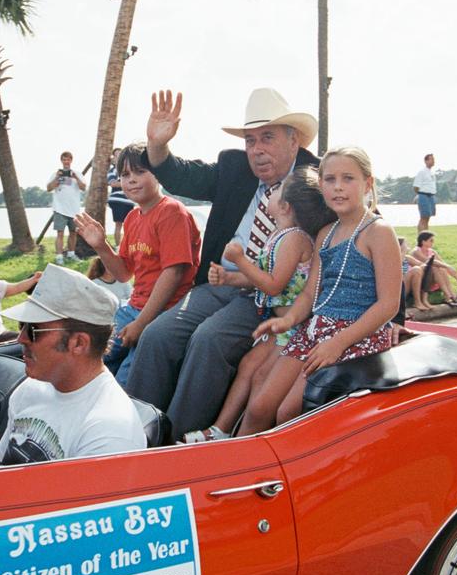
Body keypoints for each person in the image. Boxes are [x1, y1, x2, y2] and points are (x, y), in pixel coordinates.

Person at [125, 87, 320, 438]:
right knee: (156, 335)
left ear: (294, 142)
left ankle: (176, 443)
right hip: (217, 283)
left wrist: (394, 314)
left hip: (269, 297)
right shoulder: (234, 168)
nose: (256, 150)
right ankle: (130, 433)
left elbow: (362, 231)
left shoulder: (317, 179)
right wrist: (157, 145)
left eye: (267, 138)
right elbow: (182, 174)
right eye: (250, 140)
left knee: (209, 340)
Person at [239, 147, 401, 435]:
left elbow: (388, 304)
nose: (338, 187)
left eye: (348, 178)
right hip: (315, 330)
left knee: (288, 411)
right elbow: (309, 295)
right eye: (329, 179)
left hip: (356, 335)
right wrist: (288, 321)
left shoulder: (378, 232)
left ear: (368, 183)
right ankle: (236, 466)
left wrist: (338, 342)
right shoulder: (326, 234)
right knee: (260, 407)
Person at [182, 166, 332, 443]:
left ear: (285, 206)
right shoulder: (279, 235)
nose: (270, 195)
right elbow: (261, 277)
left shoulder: (294, 239)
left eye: (277, 192)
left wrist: (239, 261)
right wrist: (229, 277)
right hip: (280, 324)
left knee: (261, 374)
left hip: (294, 326)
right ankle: (221, 429)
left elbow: (273, 284)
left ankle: (248, 438)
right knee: (249, 365)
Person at [74, 143, 201, 386]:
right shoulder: (133, 217)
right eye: (125, 175)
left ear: (159, 174)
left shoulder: (172, 212)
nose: (131, 180)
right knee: (87, 363)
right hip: (133, 308)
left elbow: (173, 273)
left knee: (126, 380)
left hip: (163, 313)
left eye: (140, 171)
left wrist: (141, 323)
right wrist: (101, 245)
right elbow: (123, 273)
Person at [0, 264, 146, 465]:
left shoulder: (109, 433)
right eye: (22, 326)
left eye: (32, 330)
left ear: (79, 343)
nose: (21, 339)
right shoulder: (31, 388)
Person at [46, 151, 87, 264]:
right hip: (59, 209)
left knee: (73, 233)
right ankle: (59, 256)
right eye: (64, 159)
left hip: (74, 210)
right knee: (60, 233)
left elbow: (83, 187)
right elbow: (49, 188)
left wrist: (75, 177)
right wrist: (58, 178)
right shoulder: (56, 174)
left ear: (71, 160)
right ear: (61, 161)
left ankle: (71, 254)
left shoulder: (77, 173)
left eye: (68, 159)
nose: (66, 161)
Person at [408, 231, 457, 307]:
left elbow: (441, 263)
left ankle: (451, 295)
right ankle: (448, 295)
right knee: (435, 267)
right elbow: (430, 262)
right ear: (423, 241)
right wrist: (447, 266)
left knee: (441, 268)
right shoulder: (416, 251)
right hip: (421, 280)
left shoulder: (432, 251)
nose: (433, 242)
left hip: (433, 279)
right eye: (431, 240)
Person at [106, 147, 135, 246]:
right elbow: (112, 183)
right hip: (117, 200)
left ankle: (128, 245)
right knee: (118, 224)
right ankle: (118, 247)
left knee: (130, 225)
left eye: (120, 154)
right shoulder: (112, 170)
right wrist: (128, 183)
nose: (118, 157)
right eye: (116, 155)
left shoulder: (130, 169)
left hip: (129, 200)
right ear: (113, 158)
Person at [399, 236, 430, 312]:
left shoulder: (407, 258)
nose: (407, 245)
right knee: (416, 269)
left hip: (405, 286)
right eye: (405, 244)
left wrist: (423, 266)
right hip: (397, 288)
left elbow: (422, 264)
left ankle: (421, 300)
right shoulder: (393, 258)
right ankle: (417, 302)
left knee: (418, 269)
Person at [413, 152, 437, 233]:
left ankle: (426, 237)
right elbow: (416, 186)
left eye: (434, 159)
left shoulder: (432, 173)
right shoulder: (422, 172)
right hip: (424, 196)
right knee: (423, 218)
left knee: (428, 217)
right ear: (426, 161)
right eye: (431, 159)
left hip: (431, 196)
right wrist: (420, 195)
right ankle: (420, 238)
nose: (433, 161)